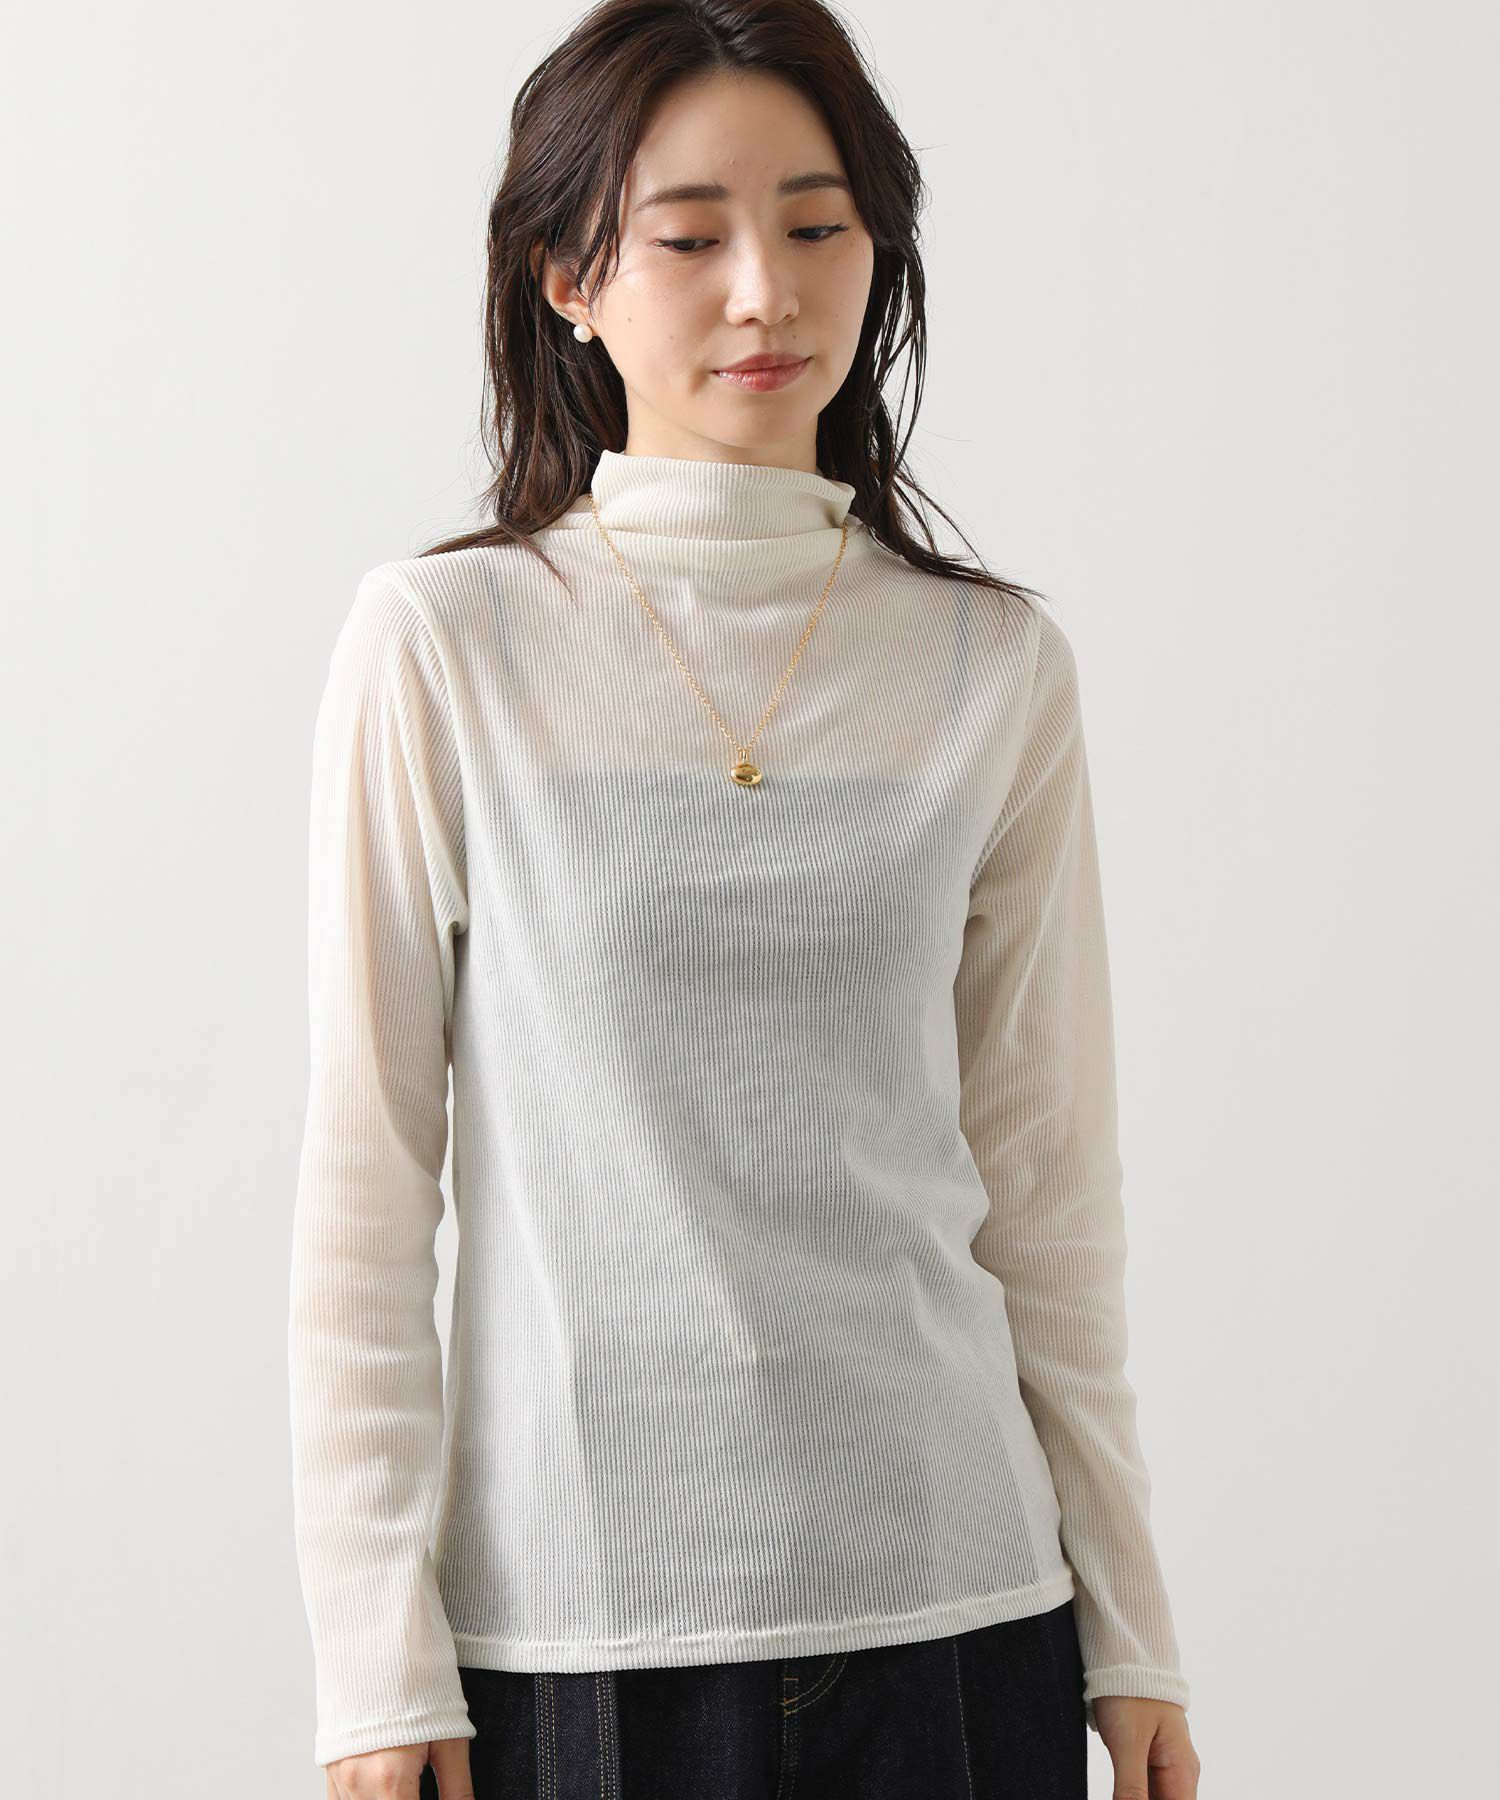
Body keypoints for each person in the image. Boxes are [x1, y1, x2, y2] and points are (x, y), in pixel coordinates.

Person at [287, 2, 1201, 1796]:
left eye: (818, 225)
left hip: (960, 1612)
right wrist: (375, 1669)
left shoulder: (988, 668)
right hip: (579, 1635)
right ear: (569, 278)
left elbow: (1046, 1190)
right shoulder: (446, 649)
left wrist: (1133, 1623)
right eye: (690, 237)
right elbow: (368, 1187)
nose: (767, 295)